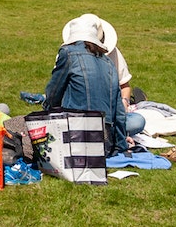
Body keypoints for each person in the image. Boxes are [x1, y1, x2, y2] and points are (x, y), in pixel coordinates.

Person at [43, 14, 131, 157]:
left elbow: (54, 91)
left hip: (74, 136)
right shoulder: (109, 63)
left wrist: (46, 113)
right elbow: (119, 113)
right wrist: (121, 145)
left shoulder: (68, 54)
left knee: (16, 124)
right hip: (104, 143)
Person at [60, 15, 146, 139]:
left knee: (137, 121)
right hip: (84, 118)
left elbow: (124, 85)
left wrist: (125, 102)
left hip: (95, 118)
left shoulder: (110, 57)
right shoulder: (67, 57)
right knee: (135, 121)